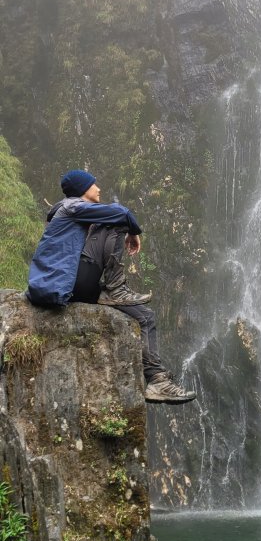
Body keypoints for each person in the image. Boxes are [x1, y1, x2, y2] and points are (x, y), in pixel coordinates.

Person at [27, 169, 196, 405]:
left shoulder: (79, 214)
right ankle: (116, 287)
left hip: (80, 285)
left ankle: (157, 380)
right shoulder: (71, 207)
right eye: (94, 184)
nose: (99, 188)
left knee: (145, 316)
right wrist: (134, 232)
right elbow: (120, 213)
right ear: (82, 189)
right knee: (116, 219)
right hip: (67, 283)